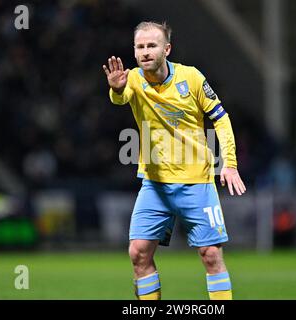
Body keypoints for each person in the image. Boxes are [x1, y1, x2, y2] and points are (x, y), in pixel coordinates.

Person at [102, 21, 246, 300]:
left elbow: (221, 118)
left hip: (197, 183)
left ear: (166, 49)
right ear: (134, 51)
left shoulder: (191, 78)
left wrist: (229, 163)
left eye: (151, 45)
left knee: (211, 254)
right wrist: (117, 89)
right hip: (155, 185)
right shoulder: (132, 79)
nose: (145, 52)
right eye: (140, 46)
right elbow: (120, 99)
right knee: (138, 253)